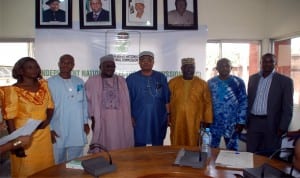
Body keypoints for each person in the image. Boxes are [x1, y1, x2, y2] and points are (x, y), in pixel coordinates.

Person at [2, 57, 55, 177]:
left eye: (36, 66)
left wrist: (47, 121)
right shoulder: (12, 90)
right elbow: (9, 118)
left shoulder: (44, 85)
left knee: (46, 168)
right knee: (26, 169)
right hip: (23, 135)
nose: (35, 70)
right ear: (20, 71)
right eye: (29, 67)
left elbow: (51, 106)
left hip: (43, 134)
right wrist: (16, 143)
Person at [247, 53, 294, 156]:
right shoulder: (253, 79)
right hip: (253, 122)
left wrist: (283, 127)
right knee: (250, 153)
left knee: (270, 154)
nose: (267, 64)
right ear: (261, 63)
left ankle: (267, 172)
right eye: (265, 61)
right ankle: (249, 172)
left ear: (275, 63)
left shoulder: (285, 81)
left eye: (270, 61)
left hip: (272, 123)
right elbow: (249, 101)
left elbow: (288, 107)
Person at [85, 55, 134, 152]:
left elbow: (127, 102)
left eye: (113, 66)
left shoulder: (121, 80)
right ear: (100, 67)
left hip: (120, 119)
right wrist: (93, 118)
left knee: (121, 141)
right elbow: (88, 101)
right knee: (103, 141)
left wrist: (129, 116)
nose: (110, 68)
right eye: (107, 66)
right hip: (102, 119)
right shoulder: (92, 81)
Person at [48, 54, 90, 164]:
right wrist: (49, 128)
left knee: (76, 159)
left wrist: (85, 122)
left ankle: (74, 174)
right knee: (58, 158)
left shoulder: (79, 81)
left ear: (73, 65)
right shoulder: (49, 83)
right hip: (58, 126)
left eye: (69, 63)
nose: (66, 65)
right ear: (58, 64)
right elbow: (45, 108)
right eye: (63, 62)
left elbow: (84, 103)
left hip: (77, 126)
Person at [126, 51, 170, 147]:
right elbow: (126, 101)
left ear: (153, 62)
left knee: (157, 143)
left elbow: (166, 98)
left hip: (157, 116)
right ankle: (138, 161)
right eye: (143, 60)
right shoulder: (131, 79)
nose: (146, 62)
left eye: (149, 60)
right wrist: (129, 116)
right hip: (138, 117)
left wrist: (168, 115)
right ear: (139, 62)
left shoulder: (161, 77)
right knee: (139, 143)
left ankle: (157, 161)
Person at [168, 58, 213, 146]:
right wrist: (167, 116)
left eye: (191, 68)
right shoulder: (172, 83)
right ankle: (176, 157)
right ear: (182, 69)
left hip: (195, 120)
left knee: (193, 140)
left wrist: (207, 120)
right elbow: (166, 101)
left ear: (194, 69)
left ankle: (192, 158)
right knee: (176, 139)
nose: (189, 70)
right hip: (177, 119)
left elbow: (207, 103)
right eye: (186, 68)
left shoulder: (202, 84)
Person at [208, 58, 247, 151]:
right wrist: (207, 119)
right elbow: (207, 102)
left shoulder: (238, 82)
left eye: (227, 66)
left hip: (232, 123)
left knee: (232, 149)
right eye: (221, 66)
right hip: (215, 122)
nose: (224, 68)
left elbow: (244, 102)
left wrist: (241, 121)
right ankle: (211, 165)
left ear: (231, 68)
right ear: (217, 68)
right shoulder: (210, 83)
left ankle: (232, 166)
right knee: (212, 149)